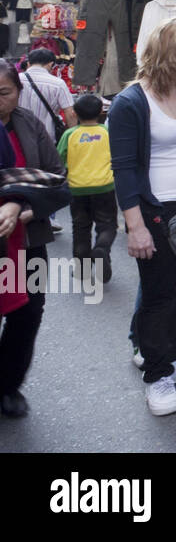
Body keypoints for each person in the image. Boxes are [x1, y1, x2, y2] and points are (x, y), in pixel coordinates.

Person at [109, 18, 176, 416]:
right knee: (157, 296)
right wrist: (135, 226)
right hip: (157, 212)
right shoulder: (131, 102)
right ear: (174, 54)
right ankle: (157, 374)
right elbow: (123, 169)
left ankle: (170, 354)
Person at [0, 60, 67, 418]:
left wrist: (27, 209)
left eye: (4, 93)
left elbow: (57, 179)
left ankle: (8, 384)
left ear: (19, 92)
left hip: (30, 238)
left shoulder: (30, 125)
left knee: (28, 312)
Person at [58, 94, 117, 283]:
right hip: (105, 187)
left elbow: (58, 160)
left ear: (74, 113)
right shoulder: (108, 133)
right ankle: (101, 248)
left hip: (77, 189)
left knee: (80, 228)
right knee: (107, 225)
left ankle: (82, 269)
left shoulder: (69, 135)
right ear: (101, 112)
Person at [19, 48, 75, 146]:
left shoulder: (16, 79)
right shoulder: (58, 84)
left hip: (19, 136)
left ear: (28, 63)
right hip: (47, 138)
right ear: (51, 64)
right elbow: (70, 113)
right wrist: (72, 137)